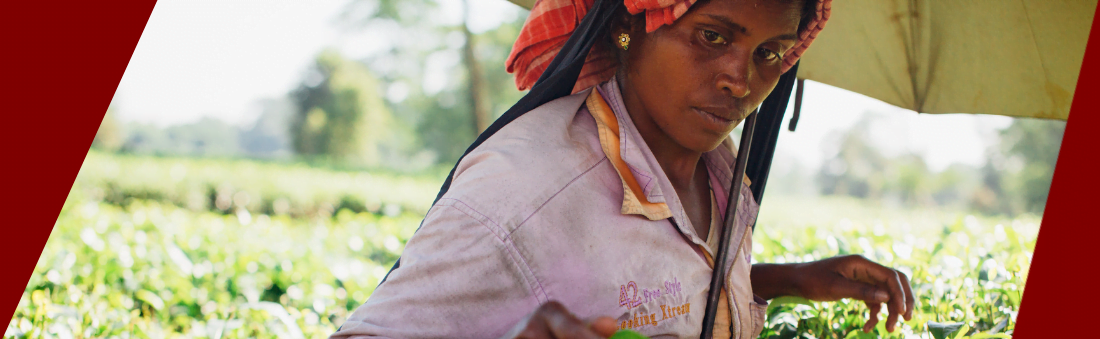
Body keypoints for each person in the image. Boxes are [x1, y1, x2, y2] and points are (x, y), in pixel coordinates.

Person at [331, 0, 915, 338]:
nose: (742, 81)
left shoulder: (715, 165)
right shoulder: (524, 190)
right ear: (627, 25)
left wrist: (788, 281)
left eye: (769, 53)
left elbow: (644, 284)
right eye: (712, 37)